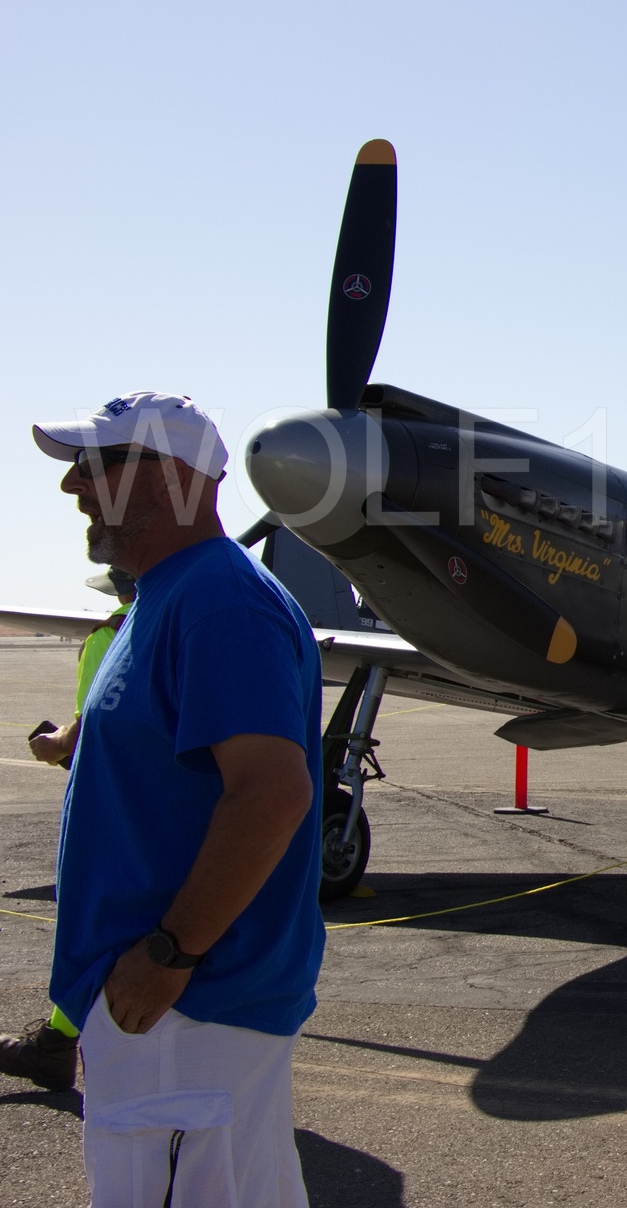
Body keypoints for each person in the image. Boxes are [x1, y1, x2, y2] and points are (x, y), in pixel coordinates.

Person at [28, 392, 324, 1206]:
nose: (74, 488)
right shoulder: (166, 595)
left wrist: (166, 954)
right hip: (170, 1022)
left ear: (172, 477)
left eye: (95, 466)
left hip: (185, 1017)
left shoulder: (221, 600)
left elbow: (271, 792)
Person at [0, 568, 137, 1092]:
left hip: (112, 808)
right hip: (167, 805)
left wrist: (52, 745)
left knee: (92, 925)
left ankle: (57, 1049)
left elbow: (92, 729)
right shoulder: (176, 624)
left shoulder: (111, 634)